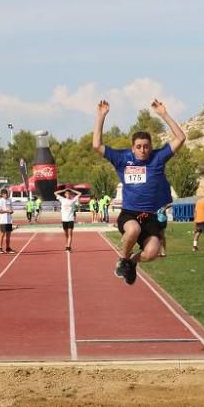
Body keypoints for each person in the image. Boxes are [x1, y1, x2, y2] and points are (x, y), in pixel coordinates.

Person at [93, 98, 185, 285]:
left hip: (151, 217)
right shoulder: (121, 159)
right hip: (130, 214)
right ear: (132, 148)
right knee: (133, 229)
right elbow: (97, 145)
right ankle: (123, 260)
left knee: (152, 253)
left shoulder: (158, 158)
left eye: (146, 146)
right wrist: (101, 116)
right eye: (139, 147)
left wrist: (163, 114)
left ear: (151, 147)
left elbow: (181, 137)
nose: (143, 150)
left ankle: (132, 262)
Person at [57, 187, 82, 251]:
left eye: (69, 194)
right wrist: (63, 190)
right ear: (65, 194)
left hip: (70, 219)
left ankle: (68, 247)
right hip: (64, 220)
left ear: (70, 195)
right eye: (67, 193)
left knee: (70, 234)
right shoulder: (62, 199)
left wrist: (71, 190)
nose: (68, 195)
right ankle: (67, 245)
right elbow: (55, 193)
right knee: (66, 235)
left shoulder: (73, 200)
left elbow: (80, 193)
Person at [0, 188, 15, 253]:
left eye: (8, 193)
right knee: (2, 234)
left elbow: (11, 209)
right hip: (3, 220)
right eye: (6, 194)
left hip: (9, 220)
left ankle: (7, 248)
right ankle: (0, 248)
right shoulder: (0, 201)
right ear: (2, 194)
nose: (7, 195)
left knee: (8, 235)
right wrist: (6, 211)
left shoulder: (9, 200)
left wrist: (11, 211)